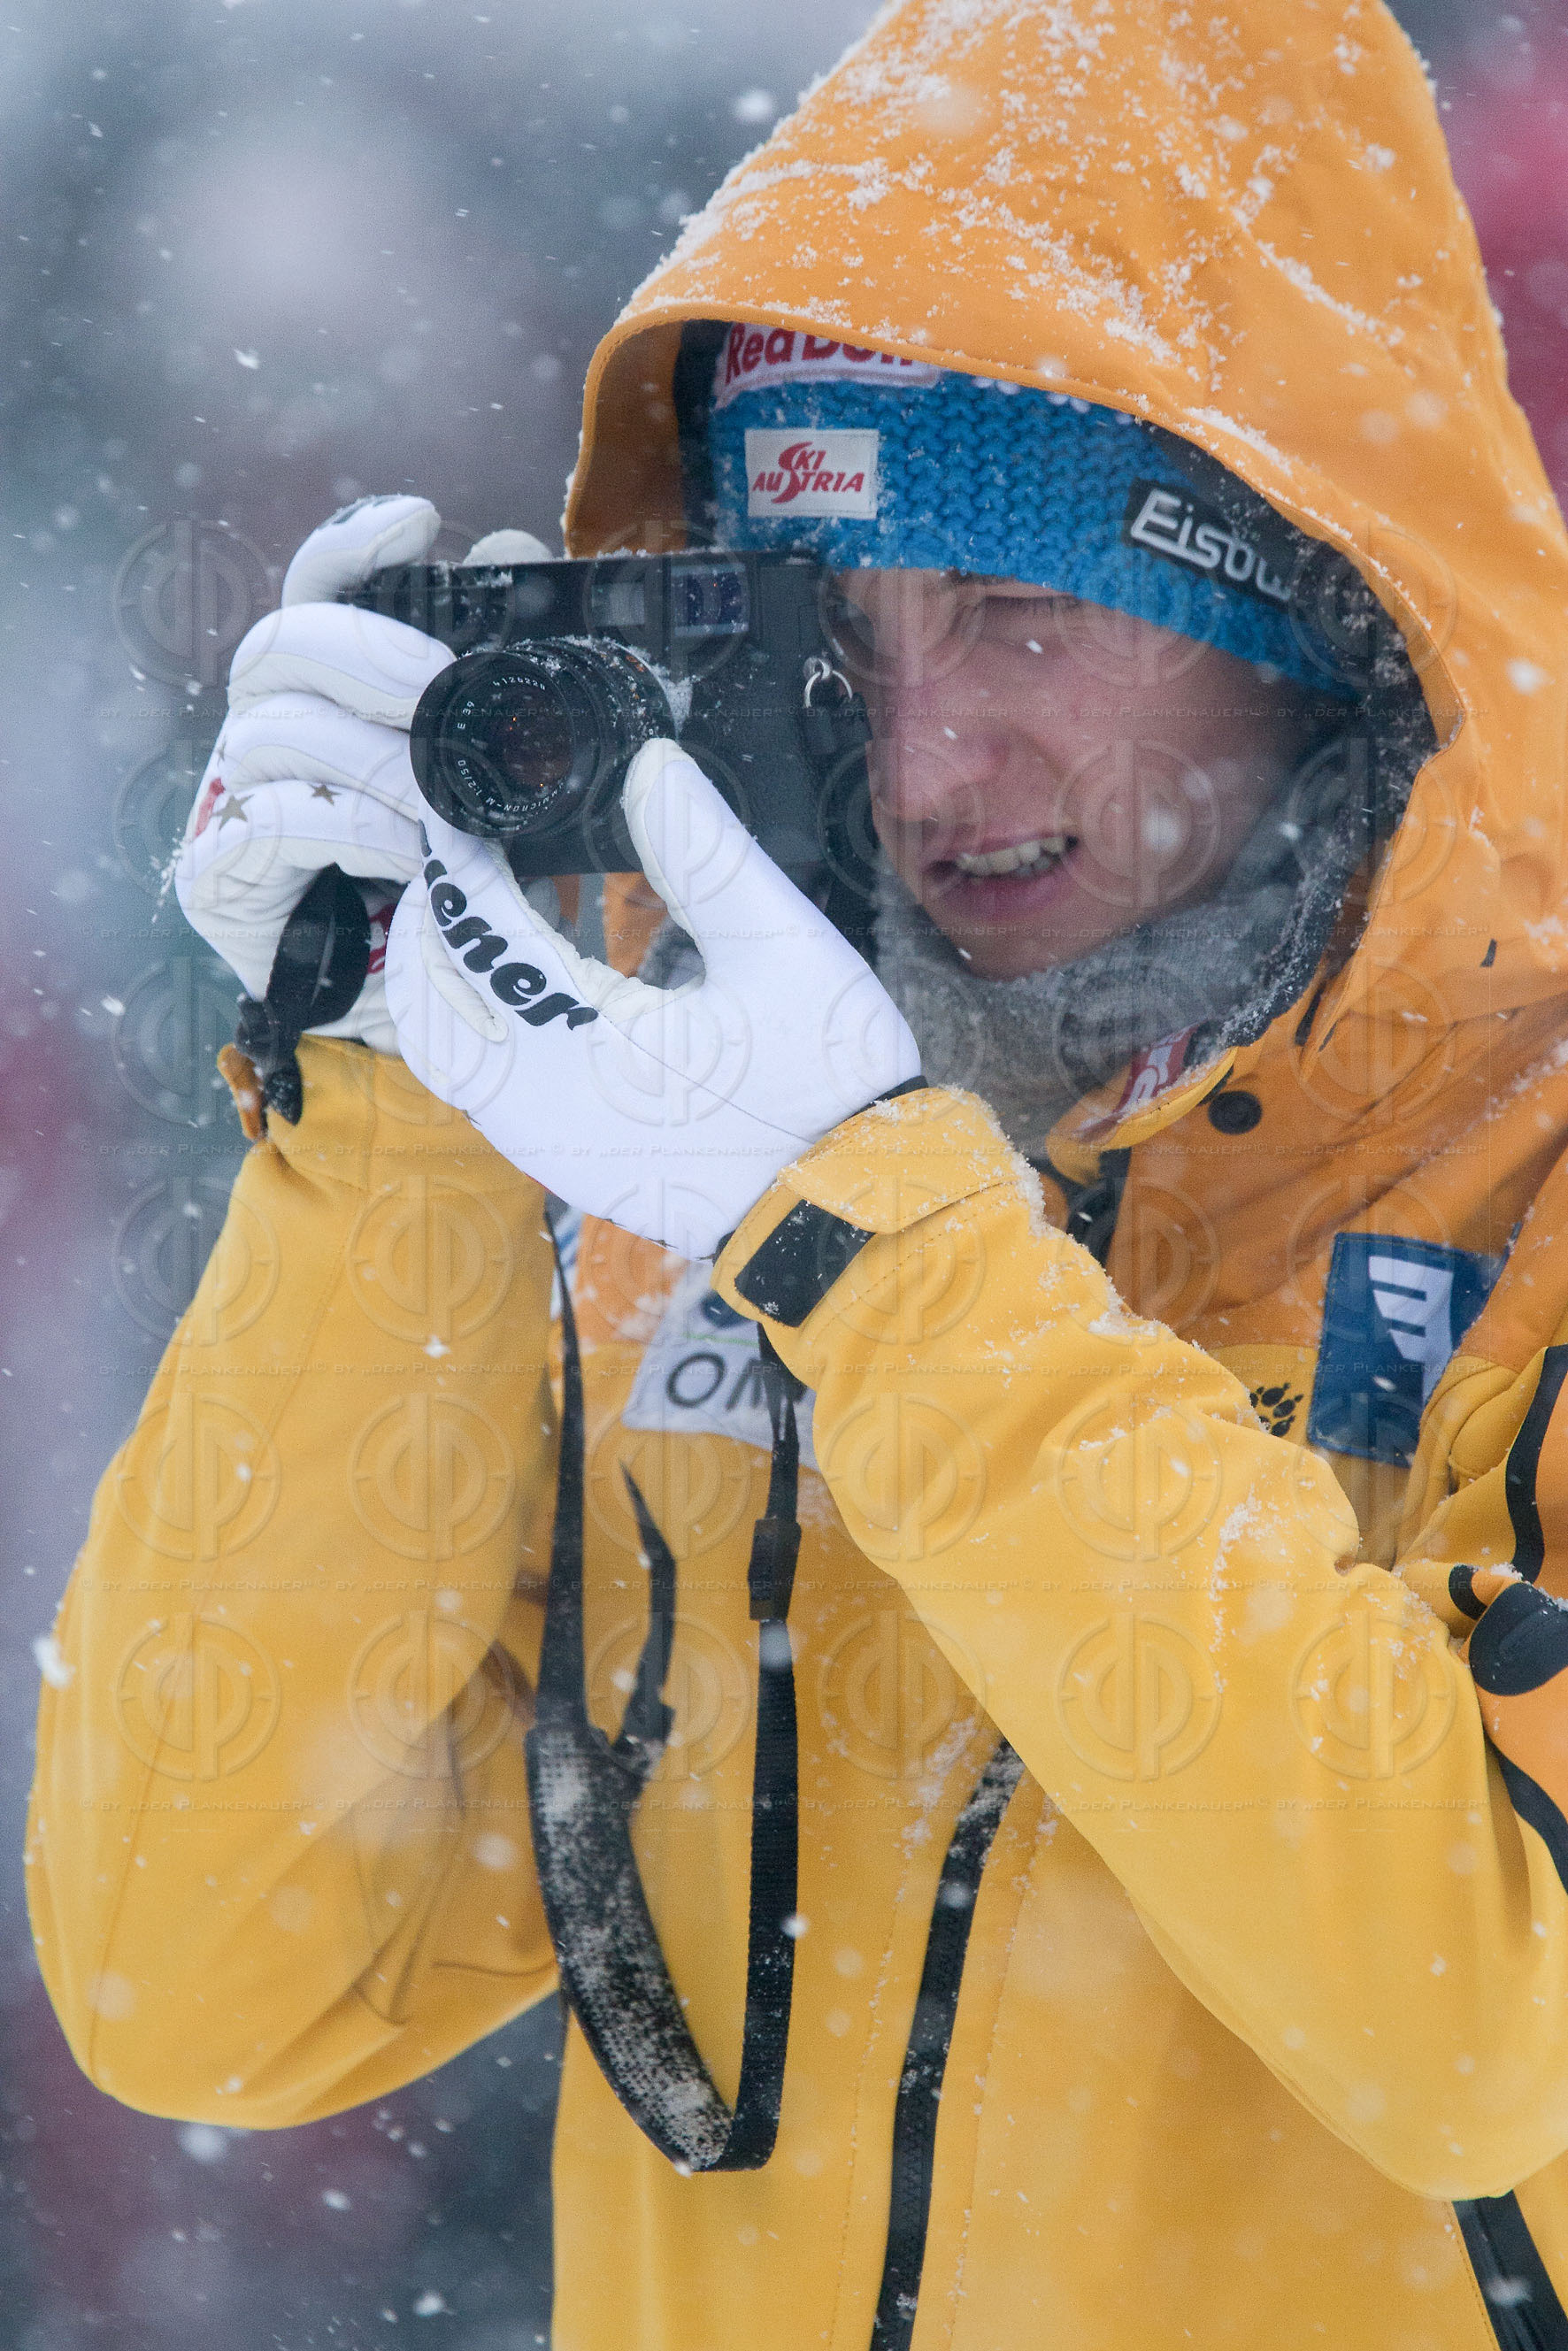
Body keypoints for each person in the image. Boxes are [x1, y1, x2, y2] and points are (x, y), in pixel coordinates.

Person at [27, 1, 1568, 2343]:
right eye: (840, 637)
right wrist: (400, 1097)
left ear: (1316, 616)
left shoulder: (1508, 1187)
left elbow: (1484, 2023)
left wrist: (885, 1242)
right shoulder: (692, 1160)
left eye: (1021, 616)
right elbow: (213, 1982)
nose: (926, 762)